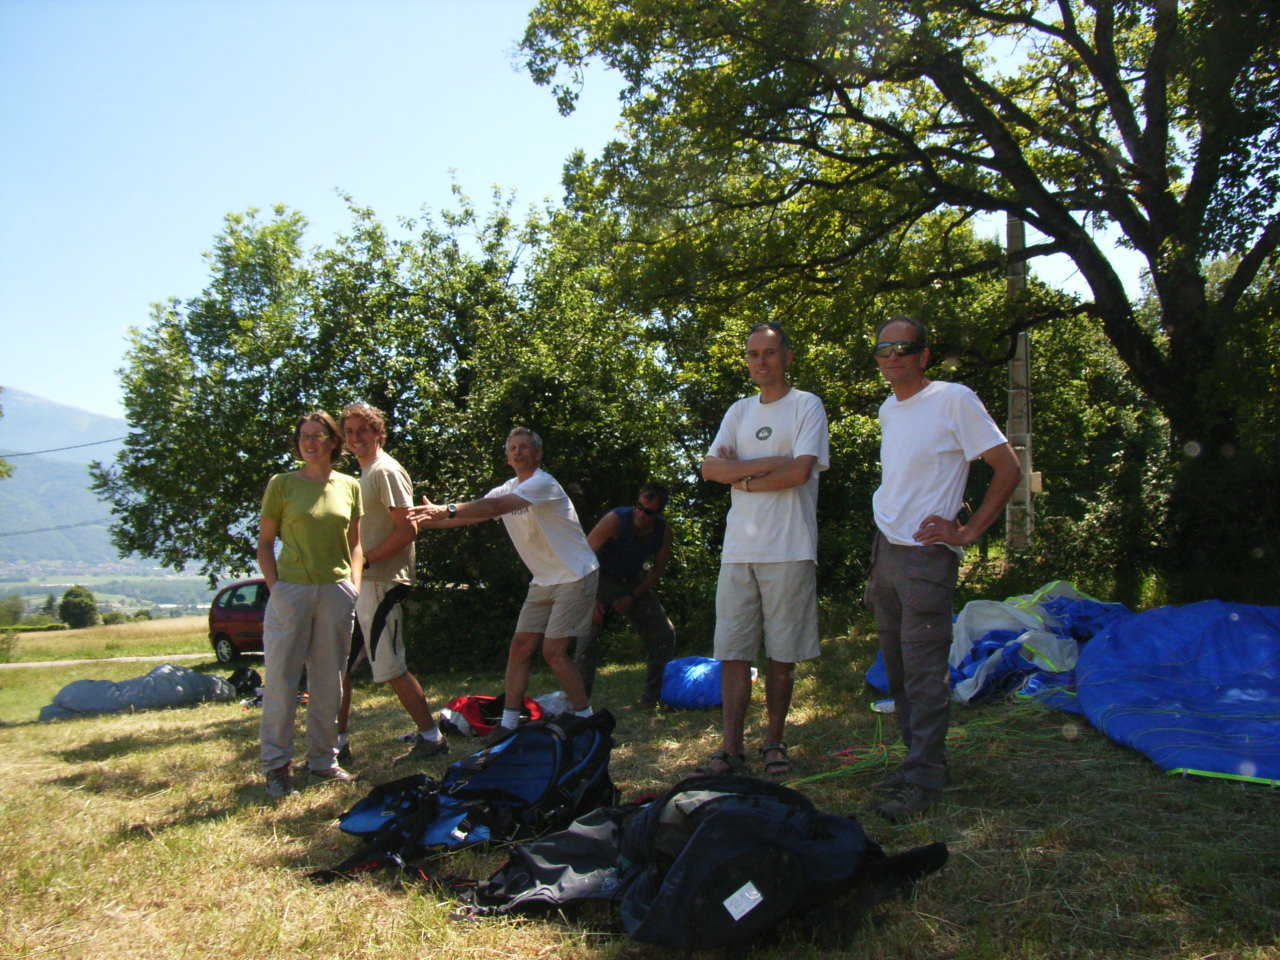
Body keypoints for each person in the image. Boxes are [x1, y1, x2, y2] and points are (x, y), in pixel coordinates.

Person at [865, 314, 1021, 821]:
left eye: (903, 348)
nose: (893, 356)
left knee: (924, 669)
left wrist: (969, 530)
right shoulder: (890, 408)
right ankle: (919, 763)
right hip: (886, 552)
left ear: (924, 355)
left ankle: (924, 779)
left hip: (926, 559)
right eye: (884, 348)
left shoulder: (954, 398)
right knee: (897, 670)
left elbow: (1007, 466)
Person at [409, 427, 597, 741]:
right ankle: (508, 723)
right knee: (520, 647)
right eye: (513, 448)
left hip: (576, 574)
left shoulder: (543, 483)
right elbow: (469, 515)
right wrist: (421, 519)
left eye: (525, 447)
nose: (519, 452)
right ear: (508, 457)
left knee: (553, 652)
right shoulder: (505, 488)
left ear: (537, 454)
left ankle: (585, 718)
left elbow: (491, 509)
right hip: (544, 580)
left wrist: (448, 508)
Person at [699, 323, 829, 778]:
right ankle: (730, 748)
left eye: (769, 353)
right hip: (738, 551)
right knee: (733, 652)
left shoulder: (807, 406)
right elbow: (710, 468)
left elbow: (800, 473)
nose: (760, 362)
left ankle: (774, 742)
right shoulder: (738, 411)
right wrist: (767, 466)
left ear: (787, 357)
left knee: (781, 654)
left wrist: (742, 475)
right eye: (753, 354)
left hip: (789, 548)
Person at [256, 411, 364, 800]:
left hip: (336, 592)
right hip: (292, 592)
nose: (310, 443)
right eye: (304, 437)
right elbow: (265, 542)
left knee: (328, 682)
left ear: (334, 442)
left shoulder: (350, 485)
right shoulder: (282, 484)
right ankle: (276, 767)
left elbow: (356, 542)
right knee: (282, 682)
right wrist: (277, 587)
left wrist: (353, 584)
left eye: (318, 436)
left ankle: (323, 761)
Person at [335, 403, 447, 767]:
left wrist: (366, 560)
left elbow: (408, 528)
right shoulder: (363, 473)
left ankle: (432, 738)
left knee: (391, 667)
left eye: (362, 430)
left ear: (378, 433)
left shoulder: (385, 471)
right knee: (339, 666)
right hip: (359, 583)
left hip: (383, 582)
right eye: (349, 432)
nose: (355, 438)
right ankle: (337, 745)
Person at [575, 482, 676, 706]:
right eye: (638, 507)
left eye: (648, 512)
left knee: (664, 634)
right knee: (587, 637)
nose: (640, 514)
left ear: (658, 513)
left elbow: (657, 570)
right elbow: (582, 558)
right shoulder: (615, 520)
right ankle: (578, 704)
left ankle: (653, 697)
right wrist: (591, 600)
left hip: (633, 580)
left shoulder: (663, 532)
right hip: (599, 577)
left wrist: (633, 595)